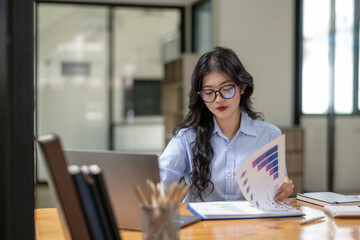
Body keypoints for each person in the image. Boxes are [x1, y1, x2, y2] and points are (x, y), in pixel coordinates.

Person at [158, 46, 293, 202]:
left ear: (242, 87)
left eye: (227, 89)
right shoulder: (186, 138)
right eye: (209, 92)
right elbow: (159, 186)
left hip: (250, 225)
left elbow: (277, 192)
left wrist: (283, 188)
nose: (218, 99)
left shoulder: (269, 136)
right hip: (201, 226)